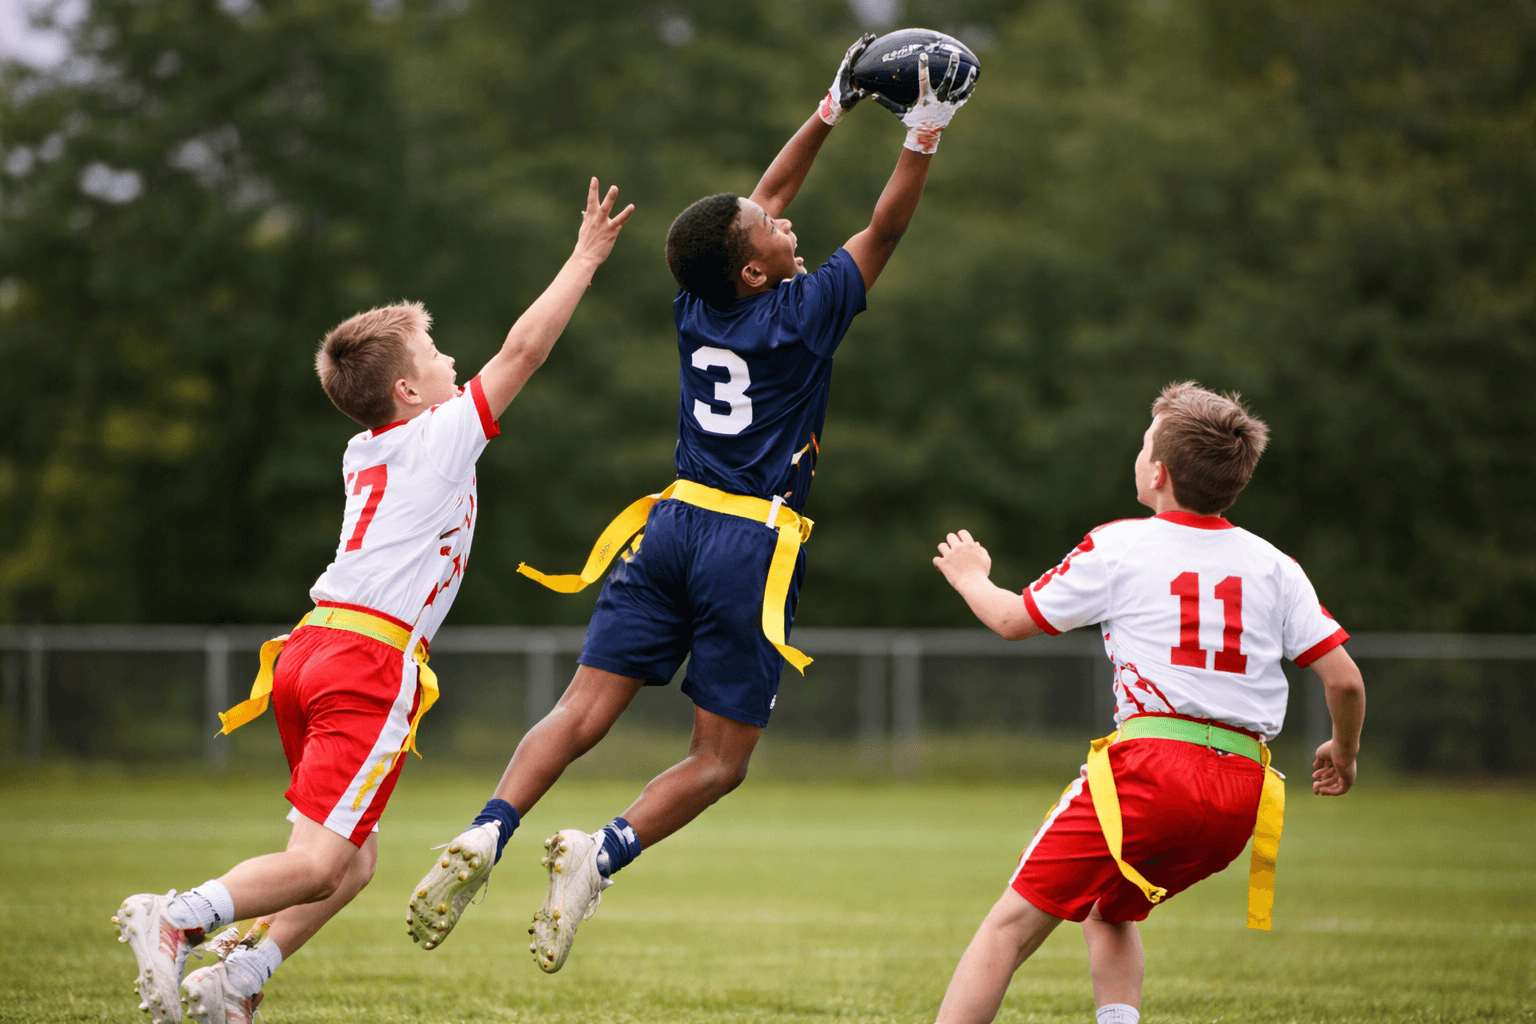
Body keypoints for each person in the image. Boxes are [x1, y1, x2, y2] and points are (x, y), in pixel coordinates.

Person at [405, 35, 978, 974]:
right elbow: (885, 230)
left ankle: (489, 827)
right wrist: (925, 131)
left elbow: (759, 203)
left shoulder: (698, 301)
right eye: (772, 235)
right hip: (747, 545)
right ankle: (601, 853)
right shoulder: (801, 314)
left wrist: (830, 108)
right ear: (753, 271)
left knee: (580, 709)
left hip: (669, 524)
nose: (785, 224)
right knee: (720, 760)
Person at [111, 178, 633, 1024]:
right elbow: (524, 352)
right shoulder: (437, 437)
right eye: (436, 354)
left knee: (350, 863)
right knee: (321, 865)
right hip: (366, 659)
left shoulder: (369, 449)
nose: (452, 362)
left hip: (311, 649)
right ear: (408, 393)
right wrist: (584, 258)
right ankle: (178, 918)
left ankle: (235, 982)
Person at [927, 382, 1367, 1024]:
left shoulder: (1121, 545)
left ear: (1158, 473)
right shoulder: (1276, 565)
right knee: (1110, 907)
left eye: (1143, 446)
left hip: (1154, 771)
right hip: (1240, 790)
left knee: (1008, 928)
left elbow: (1012, 619)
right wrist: (1344, 753)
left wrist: (971, 576)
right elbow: (1346, 681)